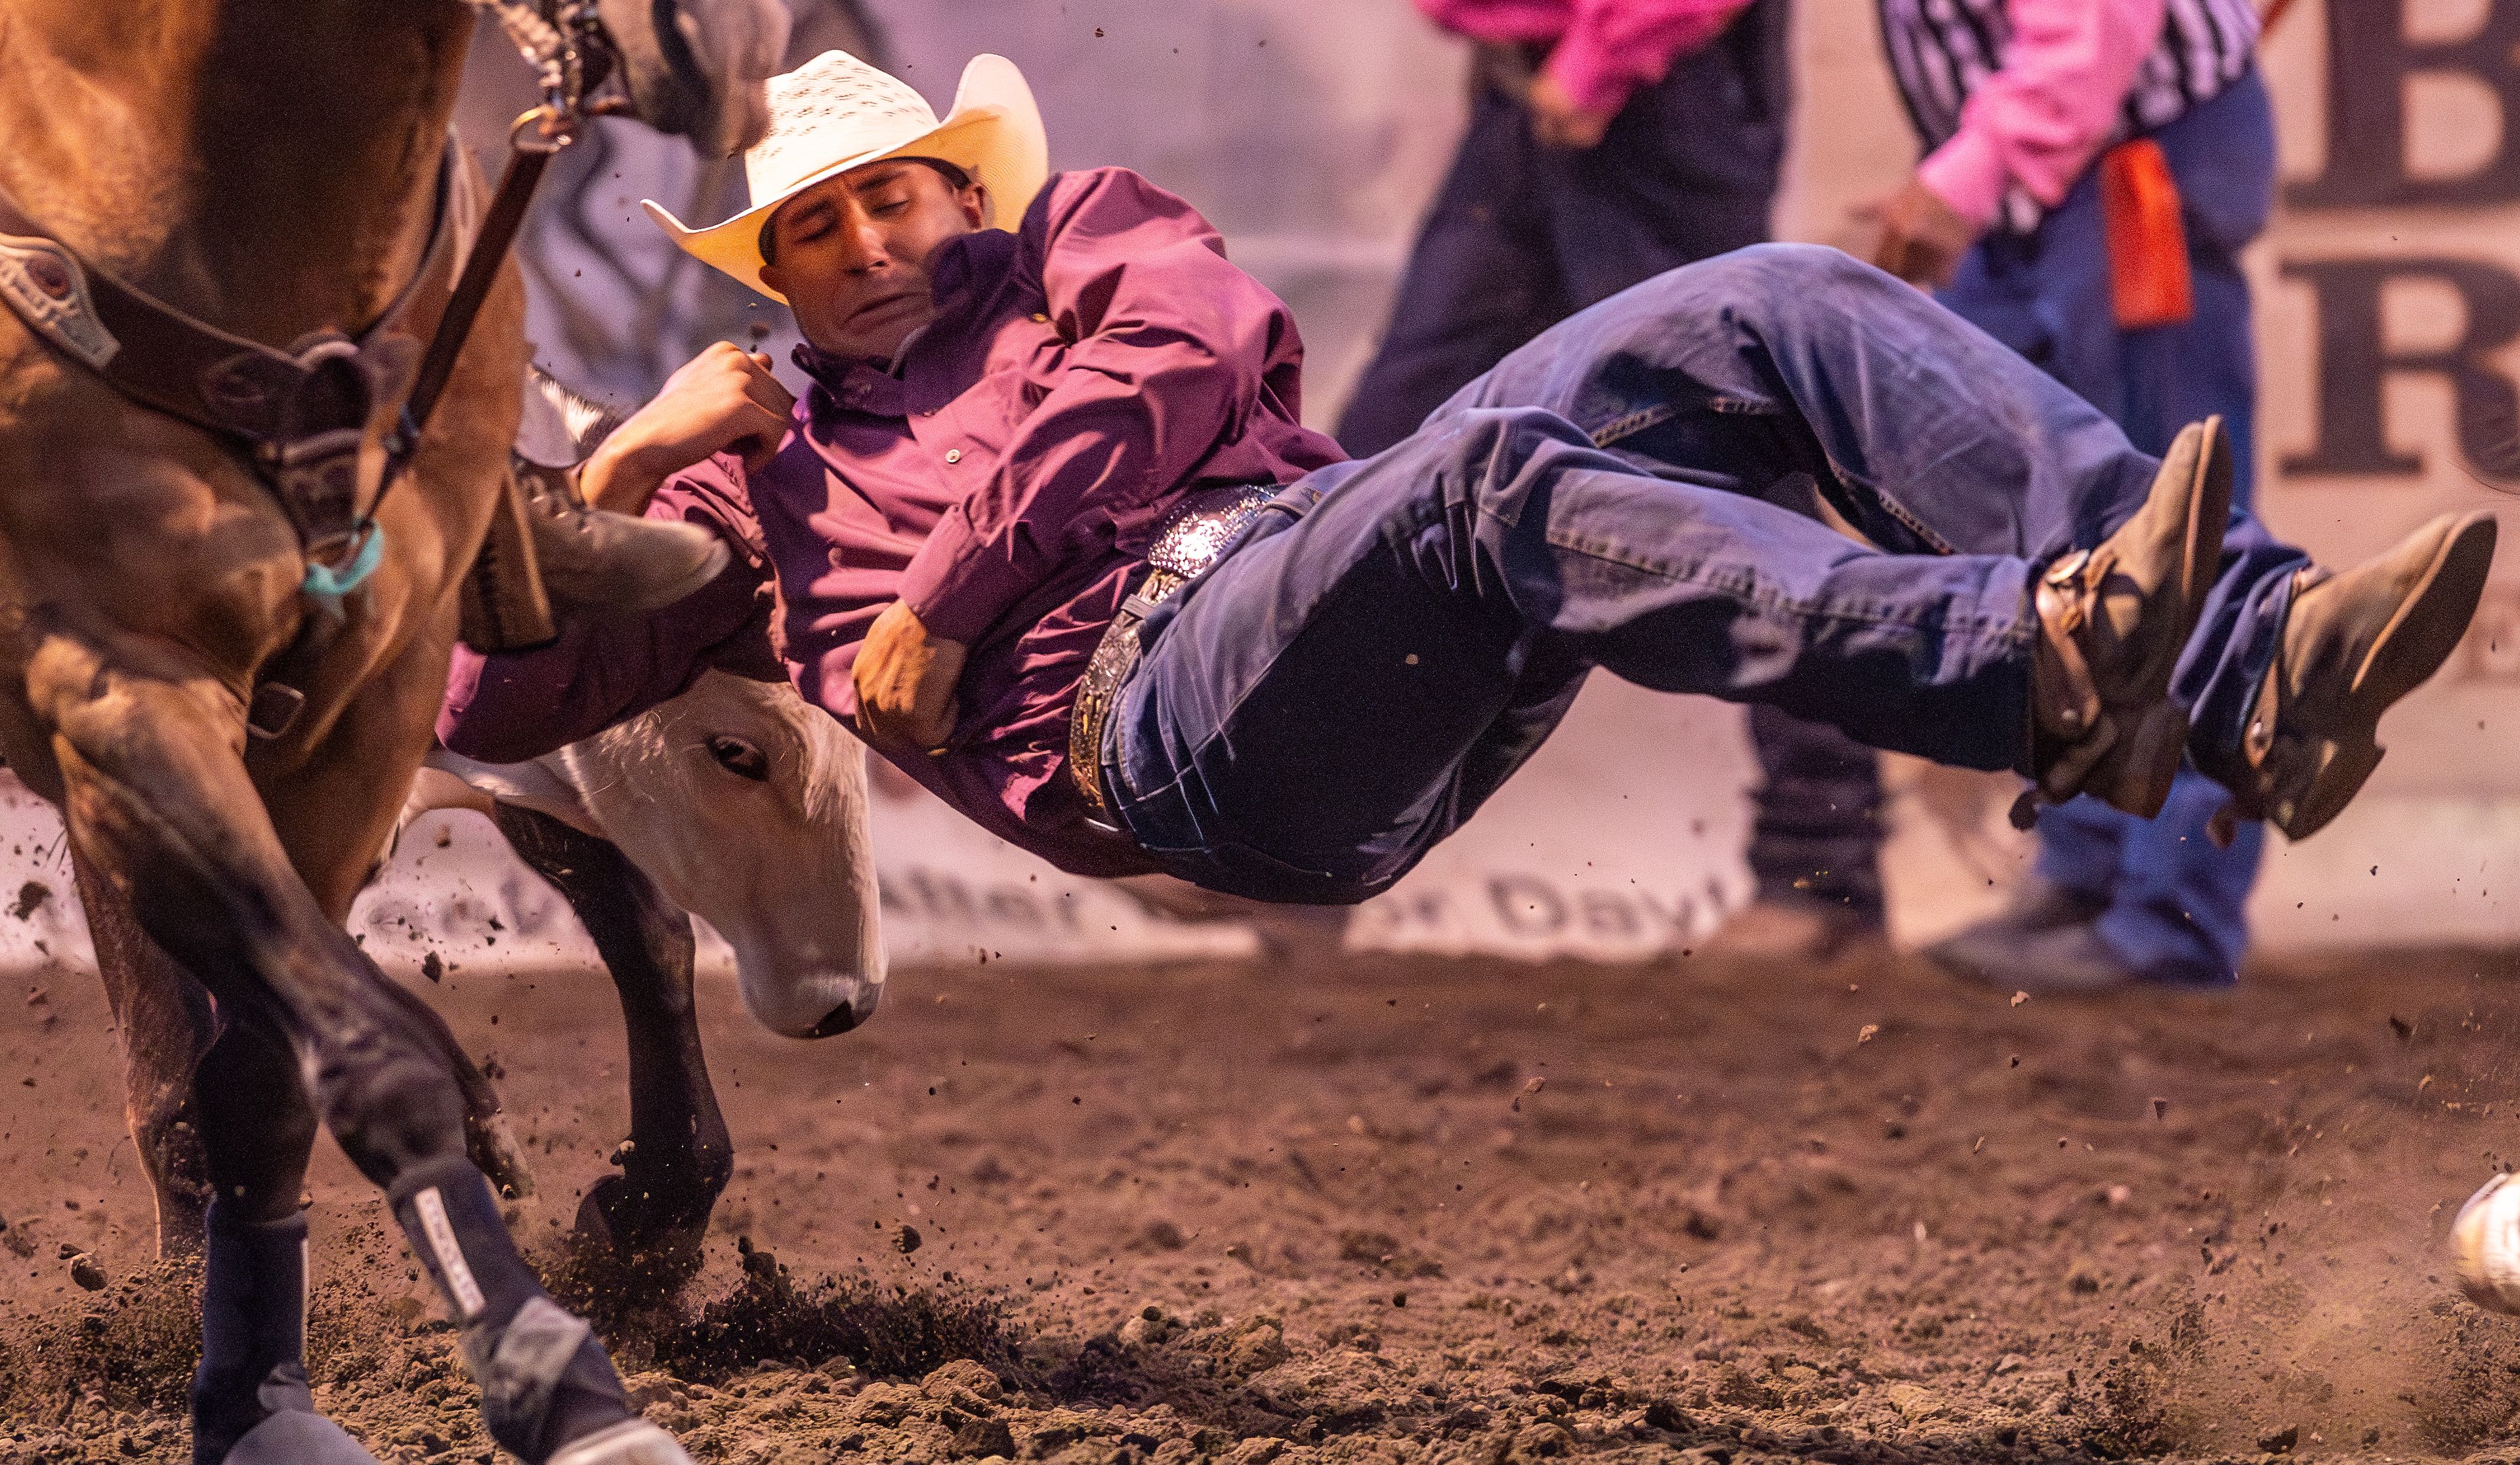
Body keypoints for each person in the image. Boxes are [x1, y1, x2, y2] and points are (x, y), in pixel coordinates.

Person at [439, 51, 2494, 944]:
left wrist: (955, 590)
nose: (868, 241)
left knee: (1776, 296)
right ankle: (2043, 670)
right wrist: (617, 460)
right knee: (1501, 479)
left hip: (1320, 609)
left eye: (892, 194)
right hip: (1168, 725)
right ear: (774, 280)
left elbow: (1175, 366)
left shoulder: (1083, 232)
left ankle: (2240, 659)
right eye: (814, 230)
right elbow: (481, 698)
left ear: (958, 192)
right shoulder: (749, 511)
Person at [1738, 0, 2282, 987]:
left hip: (2121, 153)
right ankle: (2089, 866)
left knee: (2169, 522)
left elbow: (2097, 26)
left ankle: (2175, 914)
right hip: (2051, 166)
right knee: (2050, 533)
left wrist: (1969, 172)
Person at [1334, 0, 1790, 459]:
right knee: (1403, 411)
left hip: (1665, 88)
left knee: (1704, 421)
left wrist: (1602, 55)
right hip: (1527, 89)